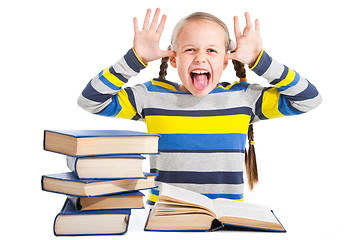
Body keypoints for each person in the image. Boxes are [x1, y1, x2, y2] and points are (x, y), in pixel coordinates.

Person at [78, 8, 322, 205]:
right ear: (173, 58)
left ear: (227, 60)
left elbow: (308, 99)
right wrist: (135, 59)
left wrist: (260, 60)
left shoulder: (243, 98)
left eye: (212, 50)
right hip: (165, 217)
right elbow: (90, 101)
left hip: (226, 219)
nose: (200, 58)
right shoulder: (150, 96)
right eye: (190, 49)